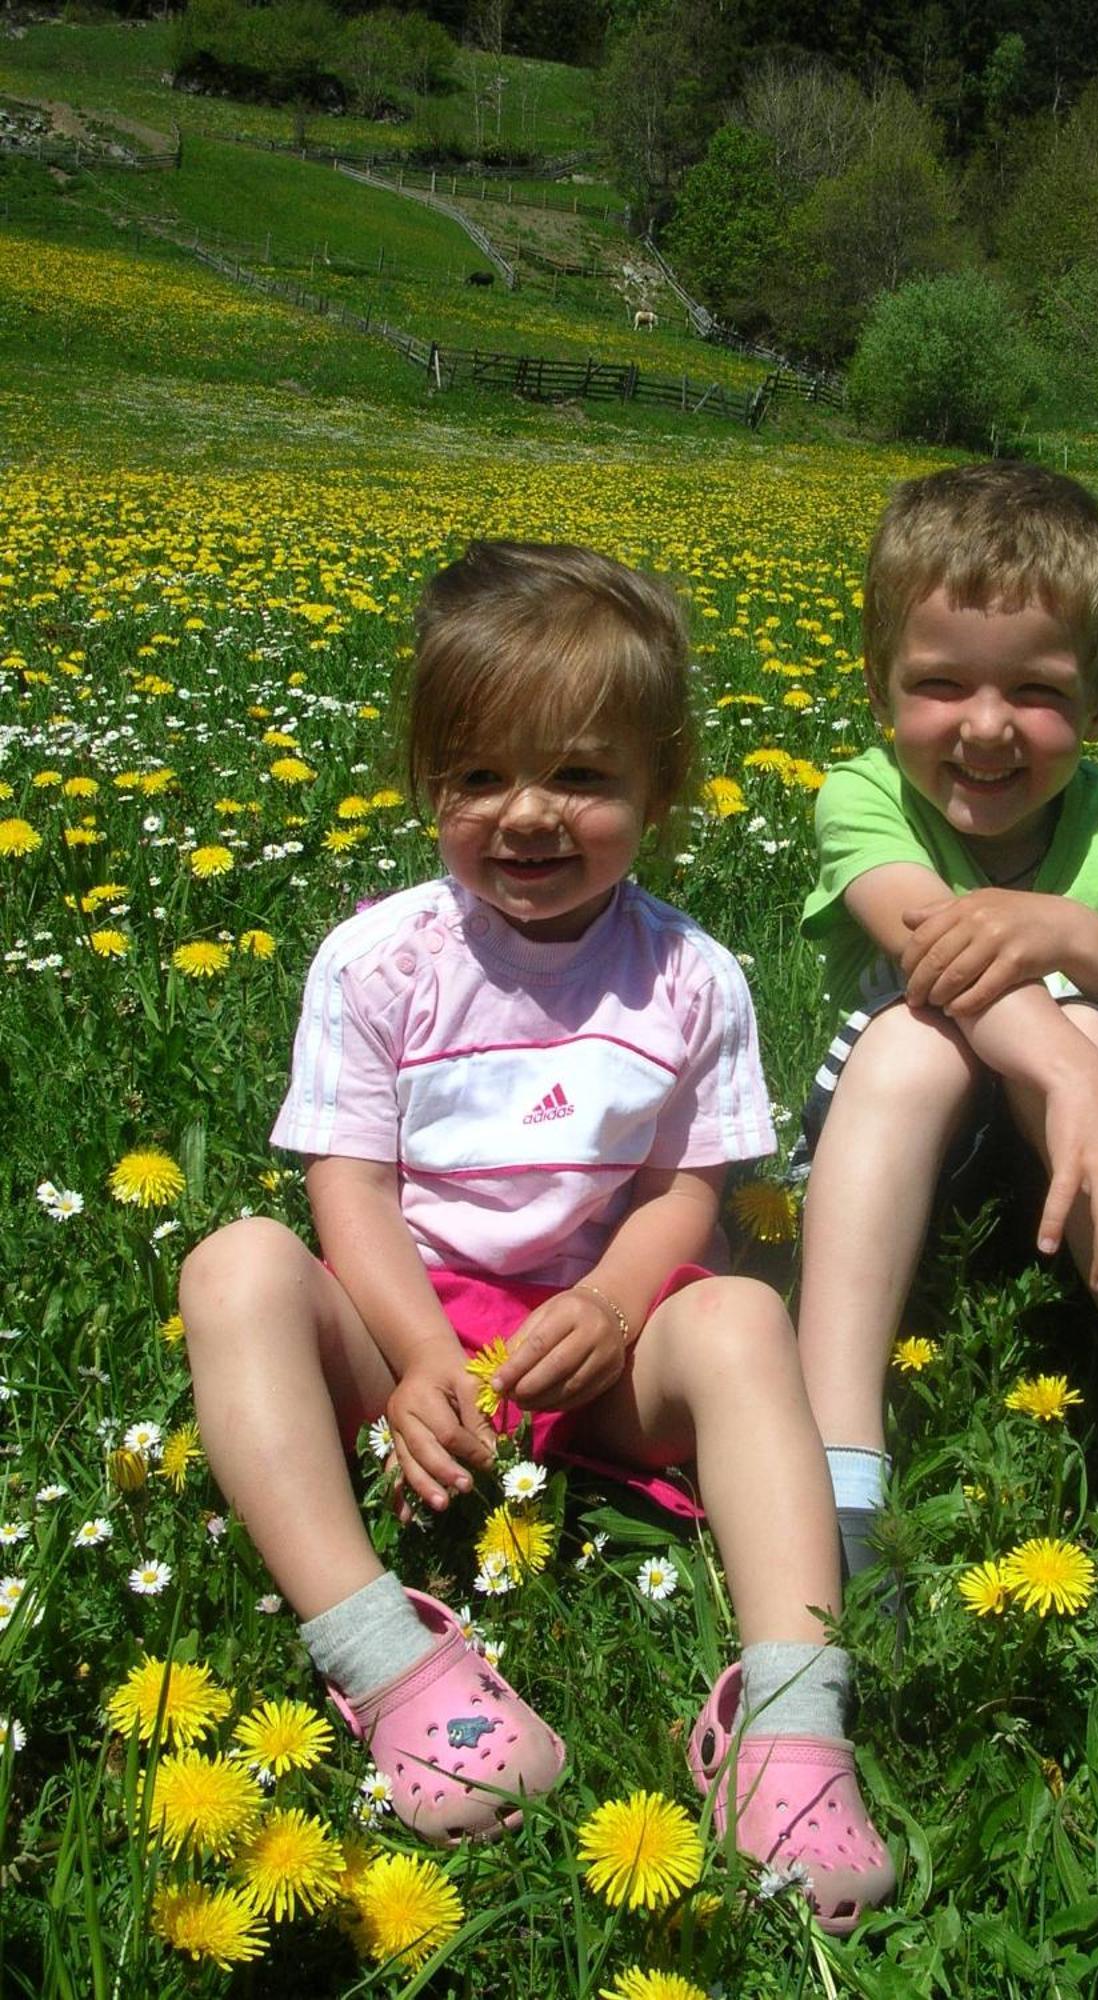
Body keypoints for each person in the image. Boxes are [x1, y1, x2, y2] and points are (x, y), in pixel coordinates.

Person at [180, 541, 893, 1932]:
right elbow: (350, 1193)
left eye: (579, 776)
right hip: (407, 1341)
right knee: (236, 1265)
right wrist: (413, 1353)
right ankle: (384, 1656)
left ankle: (798, 1727)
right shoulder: (378, 961)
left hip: (599, 1345)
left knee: (746, 1316)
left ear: (660, 789)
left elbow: (689, 1191)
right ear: (426, 785)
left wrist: (627, 1302)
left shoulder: (690, 974)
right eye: (477, 778)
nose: (526, 815)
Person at [792, 462, 1098, 1687]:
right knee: (919, 1027)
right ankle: (834, 1472)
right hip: (908, 1164)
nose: (986, 725)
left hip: (1096, 1179)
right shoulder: (861, 797)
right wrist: (1069, 1066)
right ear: (877, 686)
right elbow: (935, 954)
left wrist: (1077, 939)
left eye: (1038, 692)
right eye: (940, 683)